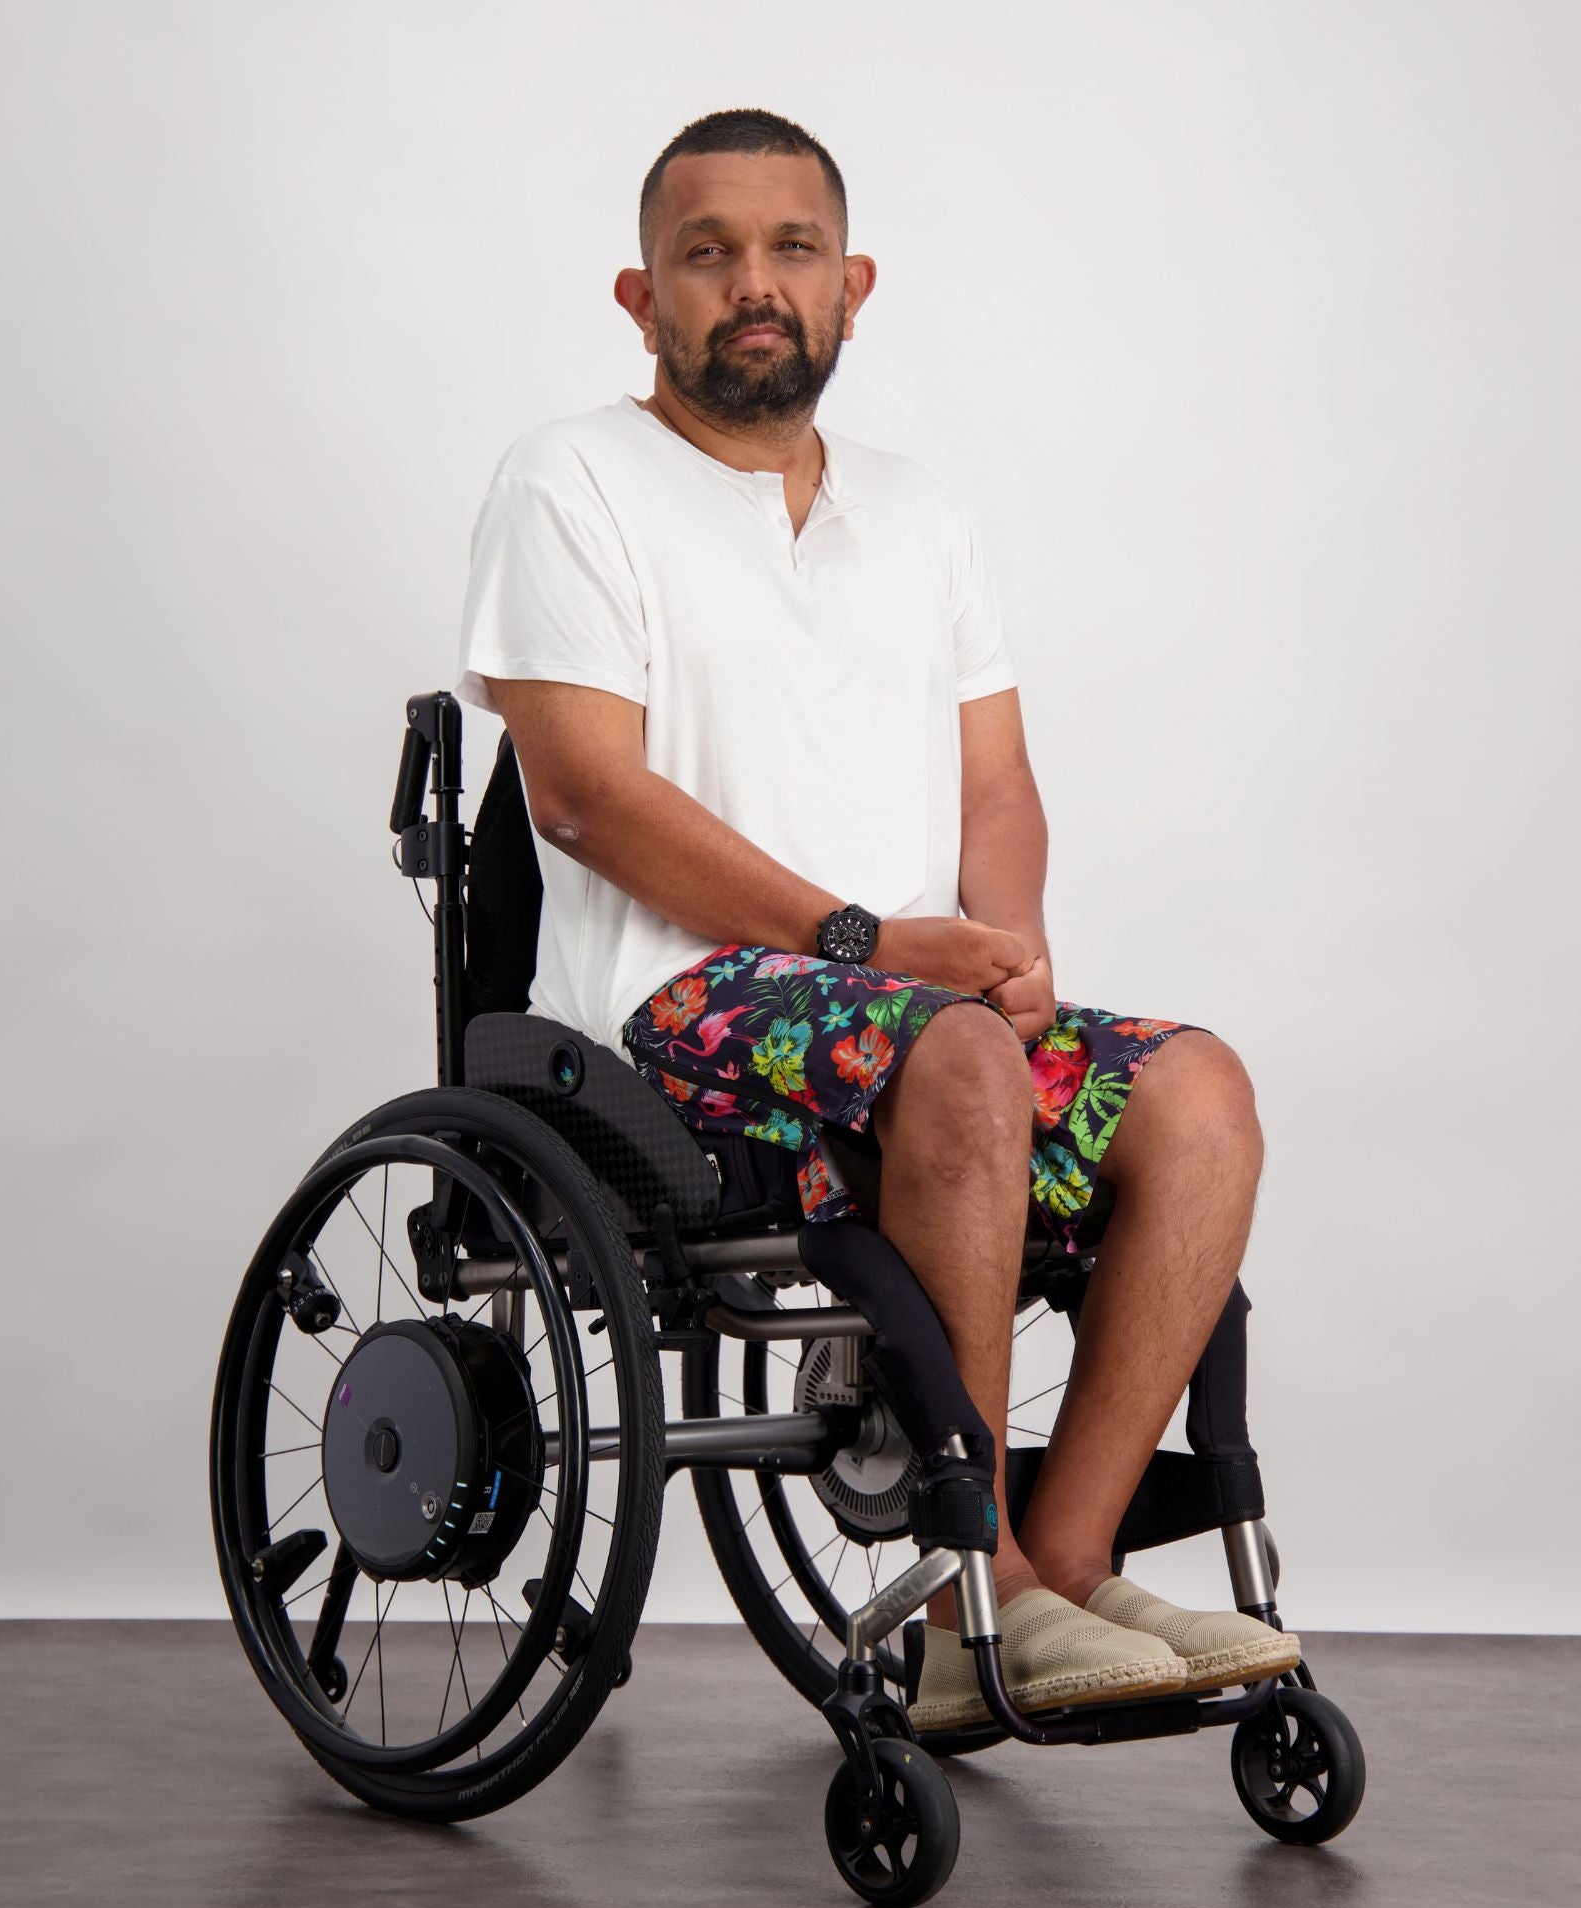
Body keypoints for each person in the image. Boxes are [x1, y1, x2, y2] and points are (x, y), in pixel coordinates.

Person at [455, 107, 1299, 1730]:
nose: (752, 285)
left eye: (791, 250)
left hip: (915, 1017)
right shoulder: (568, 481)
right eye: (707, 253)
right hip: (675, 1009)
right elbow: (583, 797)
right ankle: (971, 1582)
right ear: (642, 297)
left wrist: (1014, 946)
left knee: (1199, 1095)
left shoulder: (921, 513)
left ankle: (1058, 1567)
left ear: (851, 287)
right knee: (959, 1061)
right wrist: (864, 945)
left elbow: (998, 784)